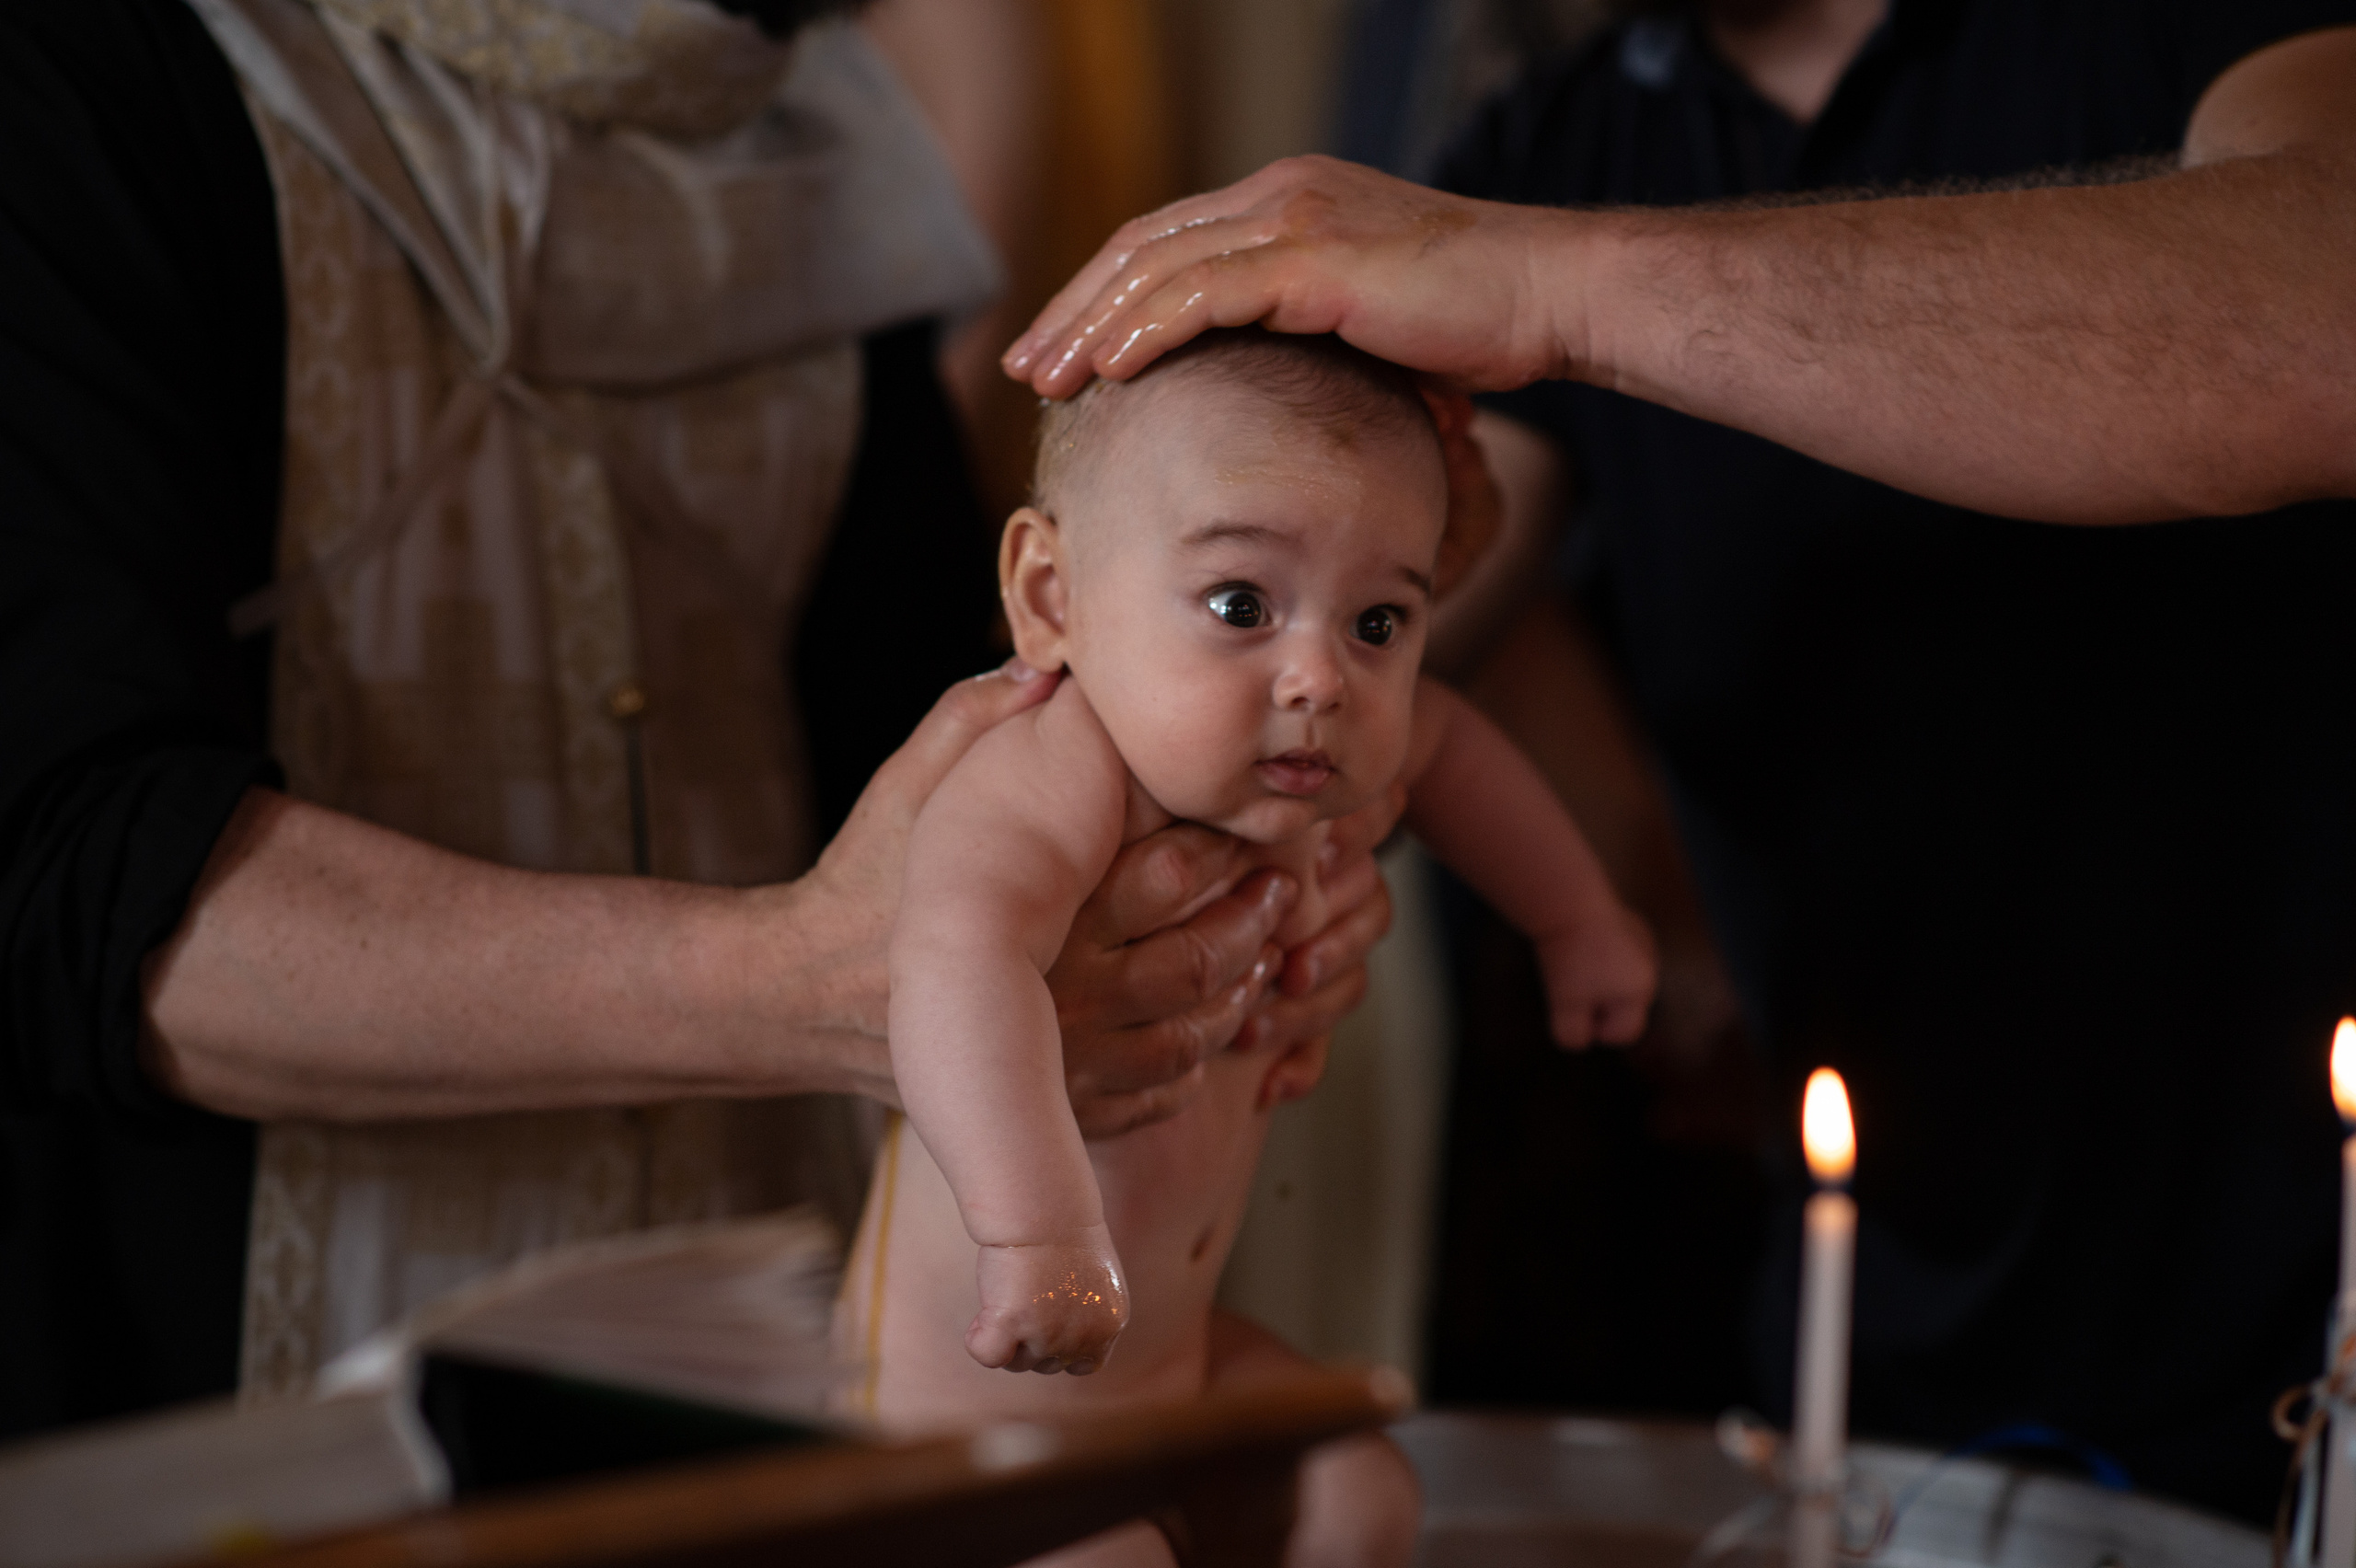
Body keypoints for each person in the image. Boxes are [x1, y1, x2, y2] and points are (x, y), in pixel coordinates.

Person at [1006, 3, 2356, 1518]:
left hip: (2306, 1299)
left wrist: (1558, 282)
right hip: (1876, 1304)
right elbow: (1391, 614)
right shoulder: (1555, 142)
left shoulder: (2234, 24)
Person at [0, 0, 1394, 1441]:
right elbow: (62, 873)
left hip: (751, 1344)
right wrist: (808, 982)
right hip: (205, 1380)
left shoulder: (816, 130)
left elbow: (922, 710)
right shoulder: (89, 78)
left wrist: (1194, 879)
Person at [848, 328, 1652, 1567]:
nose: (1320, 677)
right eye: (1241, 605)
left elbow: (1455, 755)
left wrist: (1577, 921)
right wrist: (1037, 1232)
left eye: (1379, 621)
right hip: (970, 1422)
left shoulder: (1317, 764)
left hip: (1164, 1372)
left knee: (1364, 1494)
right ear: (1051, 598)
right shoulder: (1059, 768)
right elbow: (954, 955)